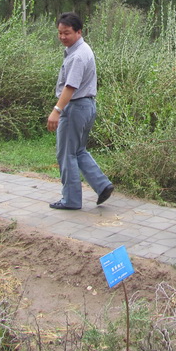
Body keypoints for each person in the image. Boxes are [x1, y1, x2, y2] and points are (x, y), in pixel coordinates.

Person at [47, 12, 114, 210]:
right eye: (59, 33)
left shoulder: (78, 55)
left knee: (67, 154)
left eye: (66, 33)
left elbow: (70, 87)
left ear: (78, 32)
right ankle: (102, 185)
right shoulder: (80, 50)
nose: (62, 37)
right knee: (78, 150)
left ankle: (71, 200)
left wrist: (57, 110)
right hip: (86, 106)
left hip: (75, 107)